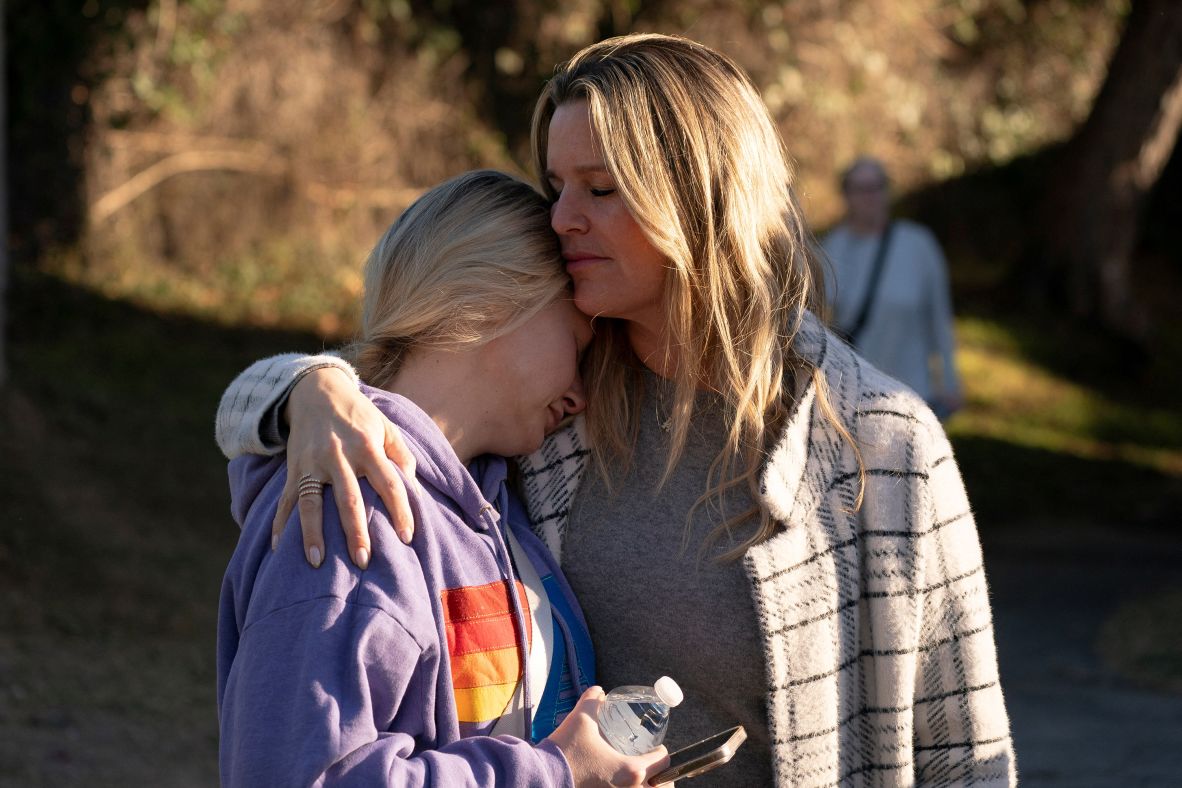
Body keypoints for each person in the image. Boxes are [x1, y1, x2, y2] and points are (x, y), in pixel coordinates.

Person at [216, 35, 1016, 786]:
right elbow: (416, 380)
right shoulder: (557, 407)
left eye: (600, 189)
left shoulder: (881, 442)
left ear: (702, 201)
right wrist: (311, 392)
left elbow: (965, 750)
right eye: (557, 186)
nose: (562, 217)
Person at [217, 169, 671, 786]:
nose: (582, 395)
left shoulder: (497, 507)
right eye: (576, 343)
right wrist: (556, 773)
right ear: (492, 303)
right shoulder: (354, 506)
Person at [821, 156, 964, 419]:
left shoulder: (919, 245)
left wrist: (949, 382)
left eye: (877, 187)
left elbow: (939, 318)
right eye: (861, 189)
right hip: (855, 396)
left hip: (912, 392)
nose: (870, 197)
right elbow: (820, 322)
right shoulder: (832, 249)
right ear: (846, 195)